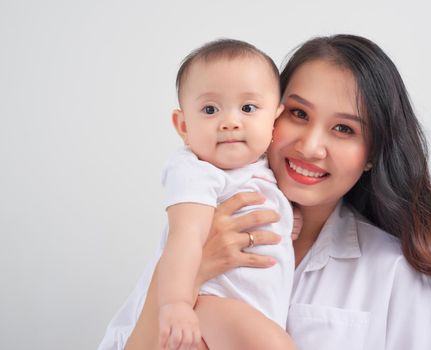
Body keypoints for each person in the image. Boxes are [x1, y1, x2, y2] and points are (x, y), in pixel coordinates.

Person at [99, 34, 431, 350]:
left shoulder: (394, 273)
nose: (310, 147)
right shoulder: (205, 228)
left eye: (344, 129)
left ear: (372, 153)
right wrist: (194, 273)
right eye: (299, 114)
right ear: (272, 114)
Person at [104, 39, 298, 350]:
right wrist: (176, 304)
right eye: (210, 109)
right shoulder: (195, 171)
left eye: (248, 108)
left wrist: (289, 220)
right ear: (183, 125)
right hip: (204, 305)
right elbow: (186, 236)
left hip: (247, 312)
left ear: (275, 119)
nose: (230, 122)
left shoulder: (261, 167)